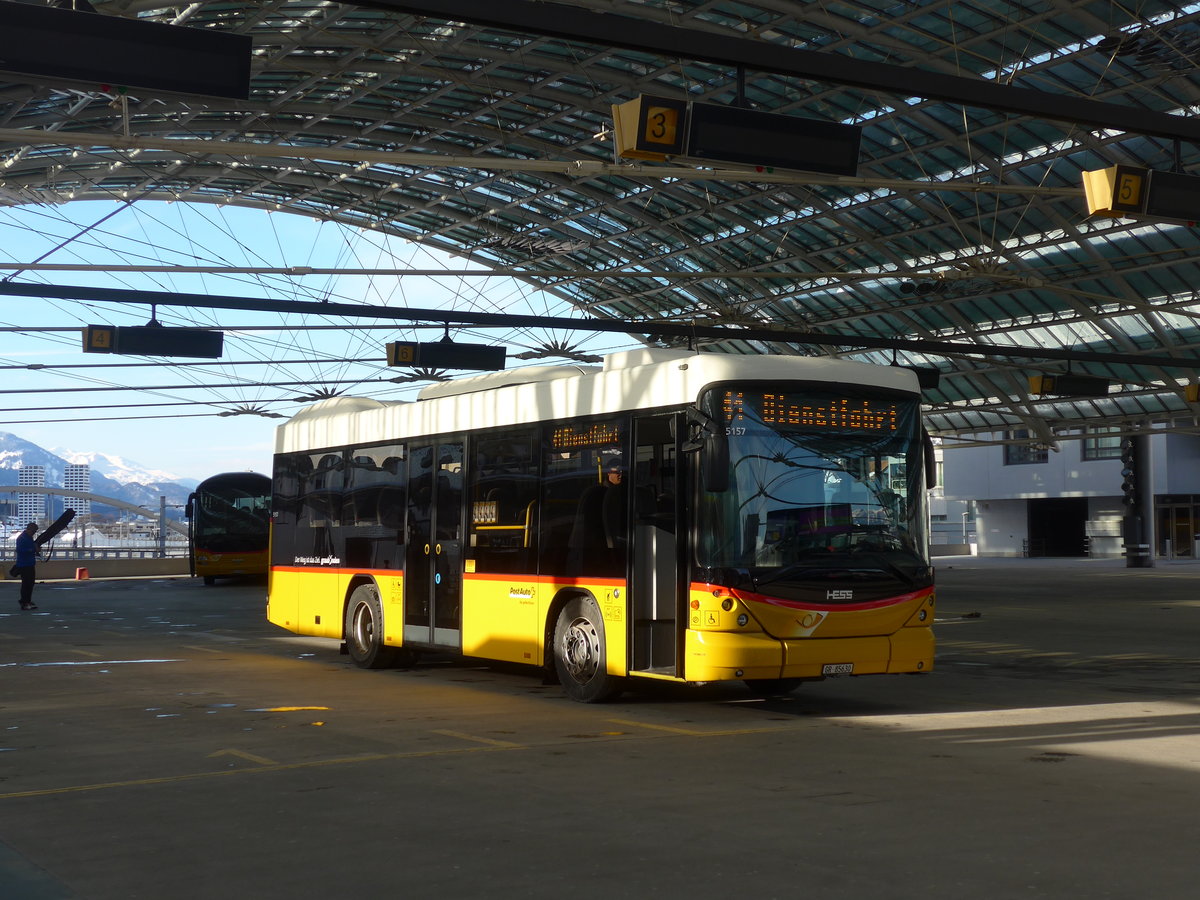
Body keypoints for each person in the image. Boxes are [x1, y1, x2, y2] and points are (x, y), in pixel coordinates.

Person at [14, 522, 39, 610]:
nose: (34, 533)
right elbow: (20, 550)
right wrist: (33, 549)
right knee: (26, 584)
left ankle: (27, 600)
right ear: (29, 529)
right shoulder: (21, 538)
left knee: (30, 584)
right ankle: (24, 602)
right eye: (33, 531)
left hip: (30, 563)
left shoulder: (29, 537)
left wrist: (35, 550)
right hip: (24, 564)